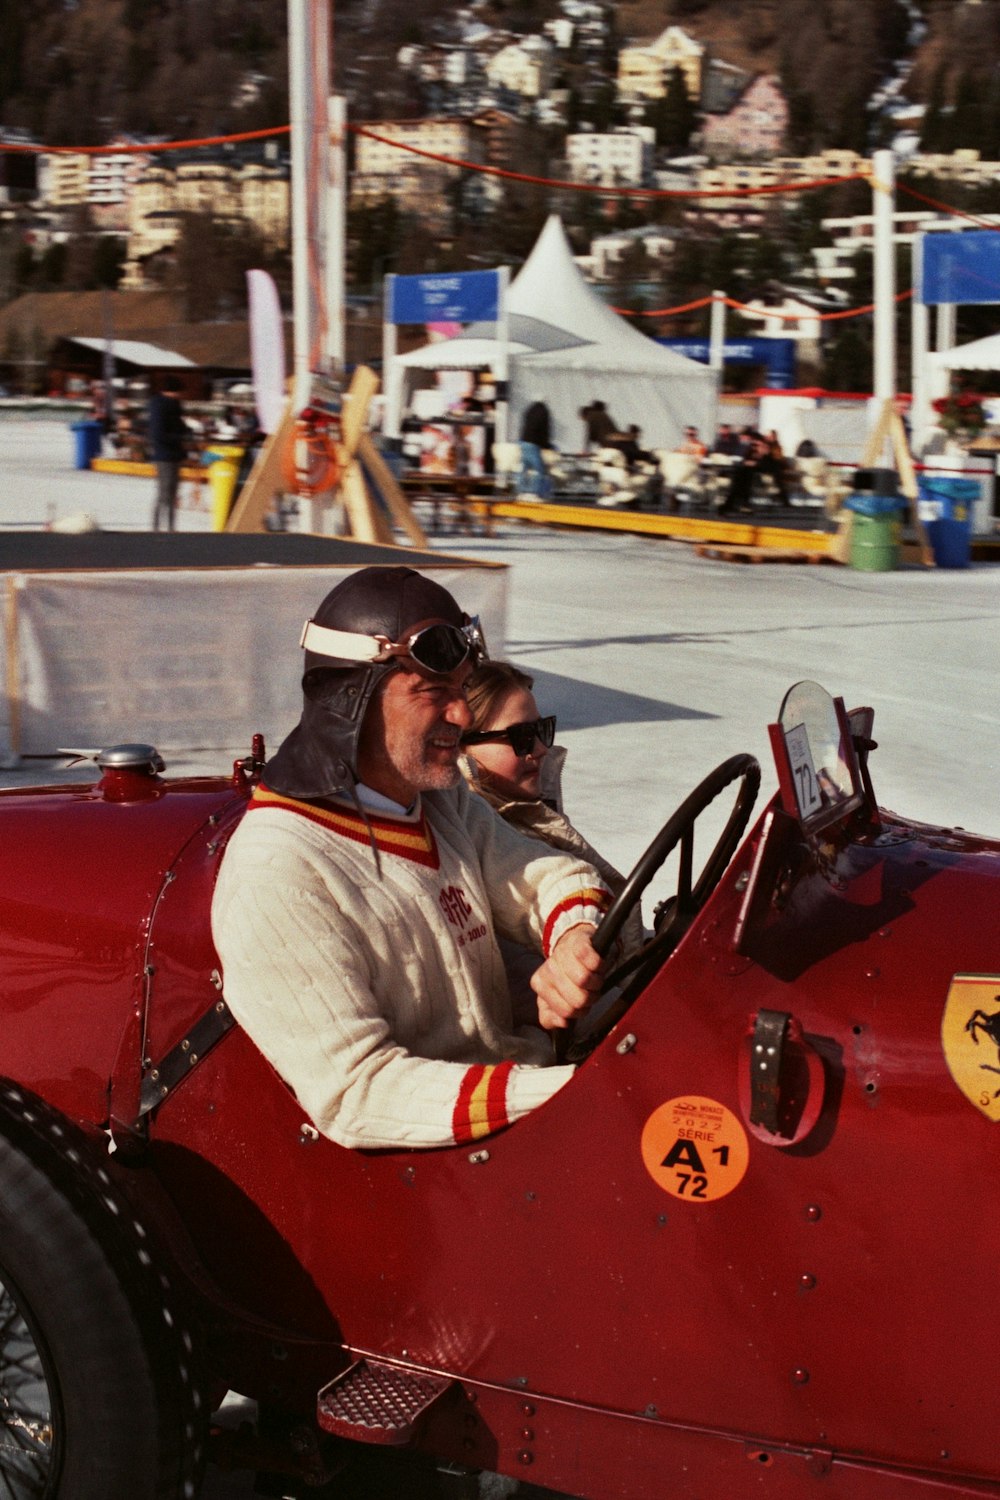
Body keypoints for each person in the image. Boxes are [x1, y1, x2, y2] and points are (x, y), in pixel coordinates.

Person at [210, 566, 612, 1152]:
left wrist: (574, 938)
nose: (463, 715)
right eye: (434, 691)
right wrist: (566, 1094)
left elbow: (547, 875)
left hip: (523, 1112)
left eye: (463, 688)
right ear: (353, 700)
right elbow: (358, 1094)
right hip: (448, 1172)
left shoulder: (438, 802)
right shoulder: (281, 869)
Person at [460, 661, 644, 994]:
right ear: (462, 749)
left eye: (541, 730)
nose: (540, 749)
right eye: (520, 738)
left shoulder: (527, 814)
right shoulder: (475, 836)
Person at [147, 375, 190, 531]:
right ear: (171, 391)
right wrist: (179, 437)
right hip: (164, 455)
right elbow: (158, 434)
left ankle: (171, 527)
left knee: (173, 493)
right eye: (178, 392)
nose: (181, 395)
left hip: (175, 453)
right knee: (164, 492)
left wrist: (186, 431)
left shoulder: (174, 406)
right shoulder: (159, 406)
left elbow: (178, 425)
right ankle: (156, 527)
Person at [518, 397, 553, 498]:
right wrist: (546, 445)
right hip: (533, 444)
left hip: (523, 441)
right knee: (539, 469)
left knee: (524, 468)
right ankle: (534, 493)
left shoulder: (529, 410)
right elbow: (544, 430)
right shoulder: (544, 411)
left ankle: (522, 491)